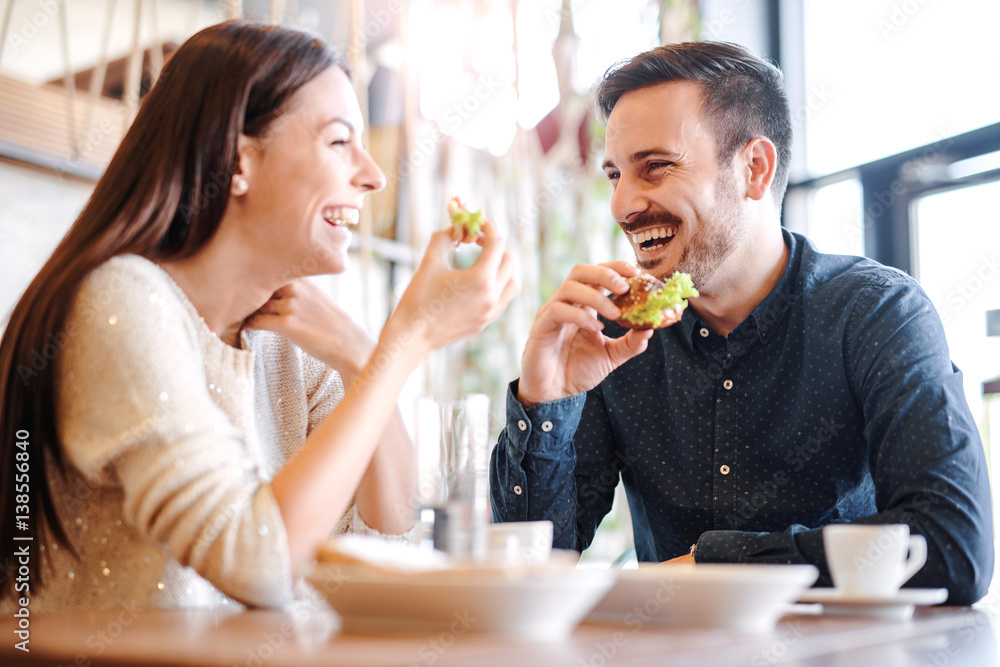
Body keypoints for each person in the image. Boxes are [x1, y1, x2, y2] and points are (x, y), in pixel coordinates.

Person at [0, 21, 517, 611]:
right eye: (339, 141)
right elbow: (258, 563)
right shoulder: (121, 300)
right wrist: (406, 343)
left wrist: (361, 357)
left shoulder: (290, 344)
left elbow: (388, 539)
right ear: (237, 160)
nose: (373, 175)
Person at [490, 41, 993, 604]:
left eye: (655, 167)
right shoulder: (612, 338)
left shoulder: (876, 314)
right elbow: (524, 573)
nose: (623, 205)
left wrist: (719, 564)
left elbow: (953, 545)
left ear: (754, 168)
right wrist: (544, 401)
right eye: (614, 175)